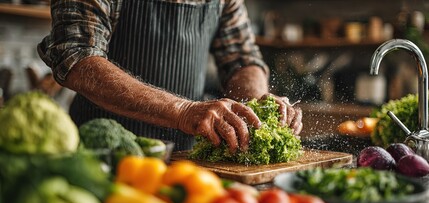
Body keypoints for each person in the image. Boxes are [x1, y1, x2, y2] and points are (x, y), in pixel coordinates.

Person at [37, 0, 303, 152]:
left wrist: (258, 108)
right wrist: (184, 110)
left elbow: (242, 60)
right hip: (103, 155)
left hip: (185, 159)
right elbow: (76, 57)